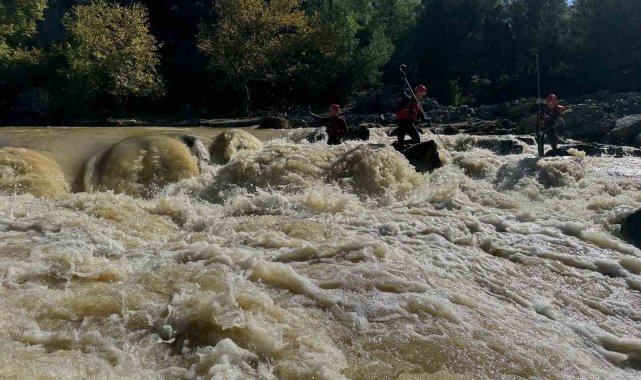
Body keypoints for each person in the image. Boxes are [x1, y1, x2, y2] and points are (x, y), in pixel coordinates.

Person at [395, 85, 426, 150]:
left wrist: (426, 119)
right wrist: (408, 110)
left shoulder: (418, 104)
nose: (422, 97)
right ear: (416, 93)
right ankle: (398, 144)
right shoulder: (407, 99)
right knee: (400, 147)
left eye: (423, 95)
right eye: (421, 94)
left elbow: (421, 114)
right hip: (402, 125)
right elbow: (398, 109)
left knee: (417, 141)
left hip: (410, 125)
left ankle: (401, 144)